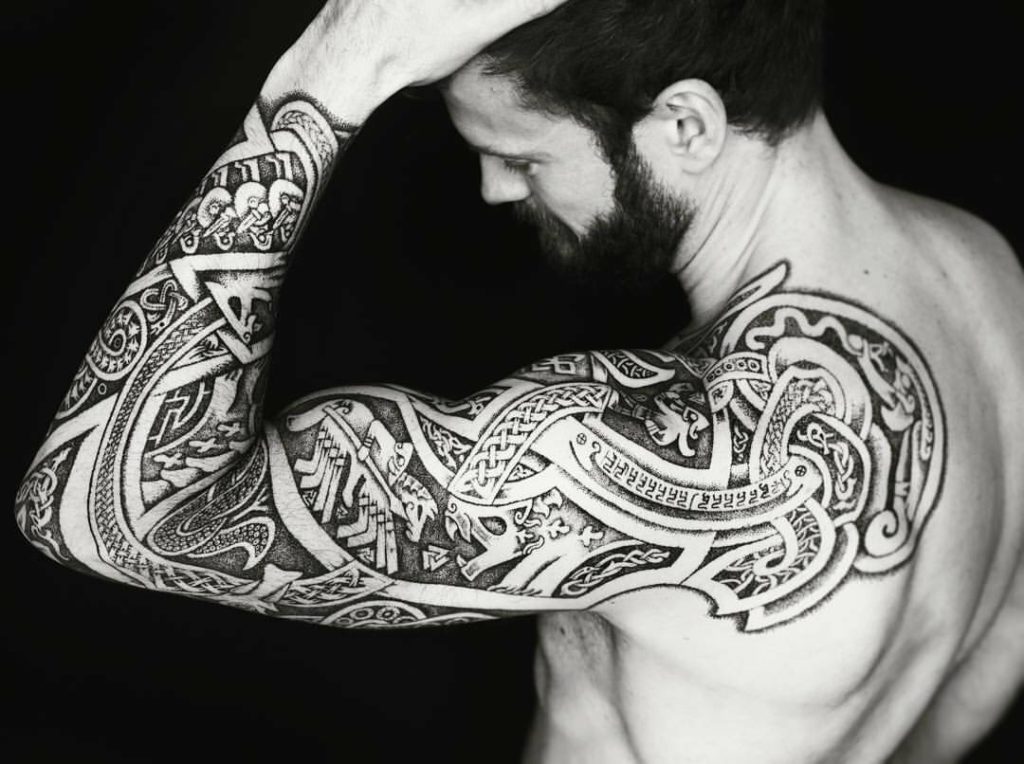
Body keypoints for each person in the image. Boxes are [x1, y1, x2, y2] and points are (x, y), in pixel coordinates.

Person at [13, 1, 1023, 762]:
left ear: (686, 125)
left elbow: (108, 514)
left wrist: (336, 65)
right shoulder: (984, 274)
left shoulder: (658, 451)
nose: (494, 189)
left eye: (522, 156)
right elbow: (987, 662)